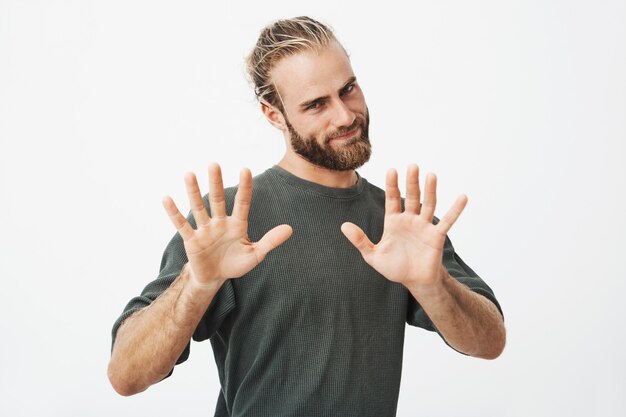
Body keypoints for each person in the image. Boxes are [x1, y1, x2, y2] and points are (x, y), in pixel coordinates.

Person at [108, 16, 505, 416]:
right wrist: (197, 282)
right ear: (273, 114)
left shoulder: (401, 225)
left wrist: (432, 282)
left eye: (348, 90)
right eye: (316, 104)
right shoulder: (224, 225)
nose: (346, 116)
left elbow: (489, 342)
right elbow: (126, 376)